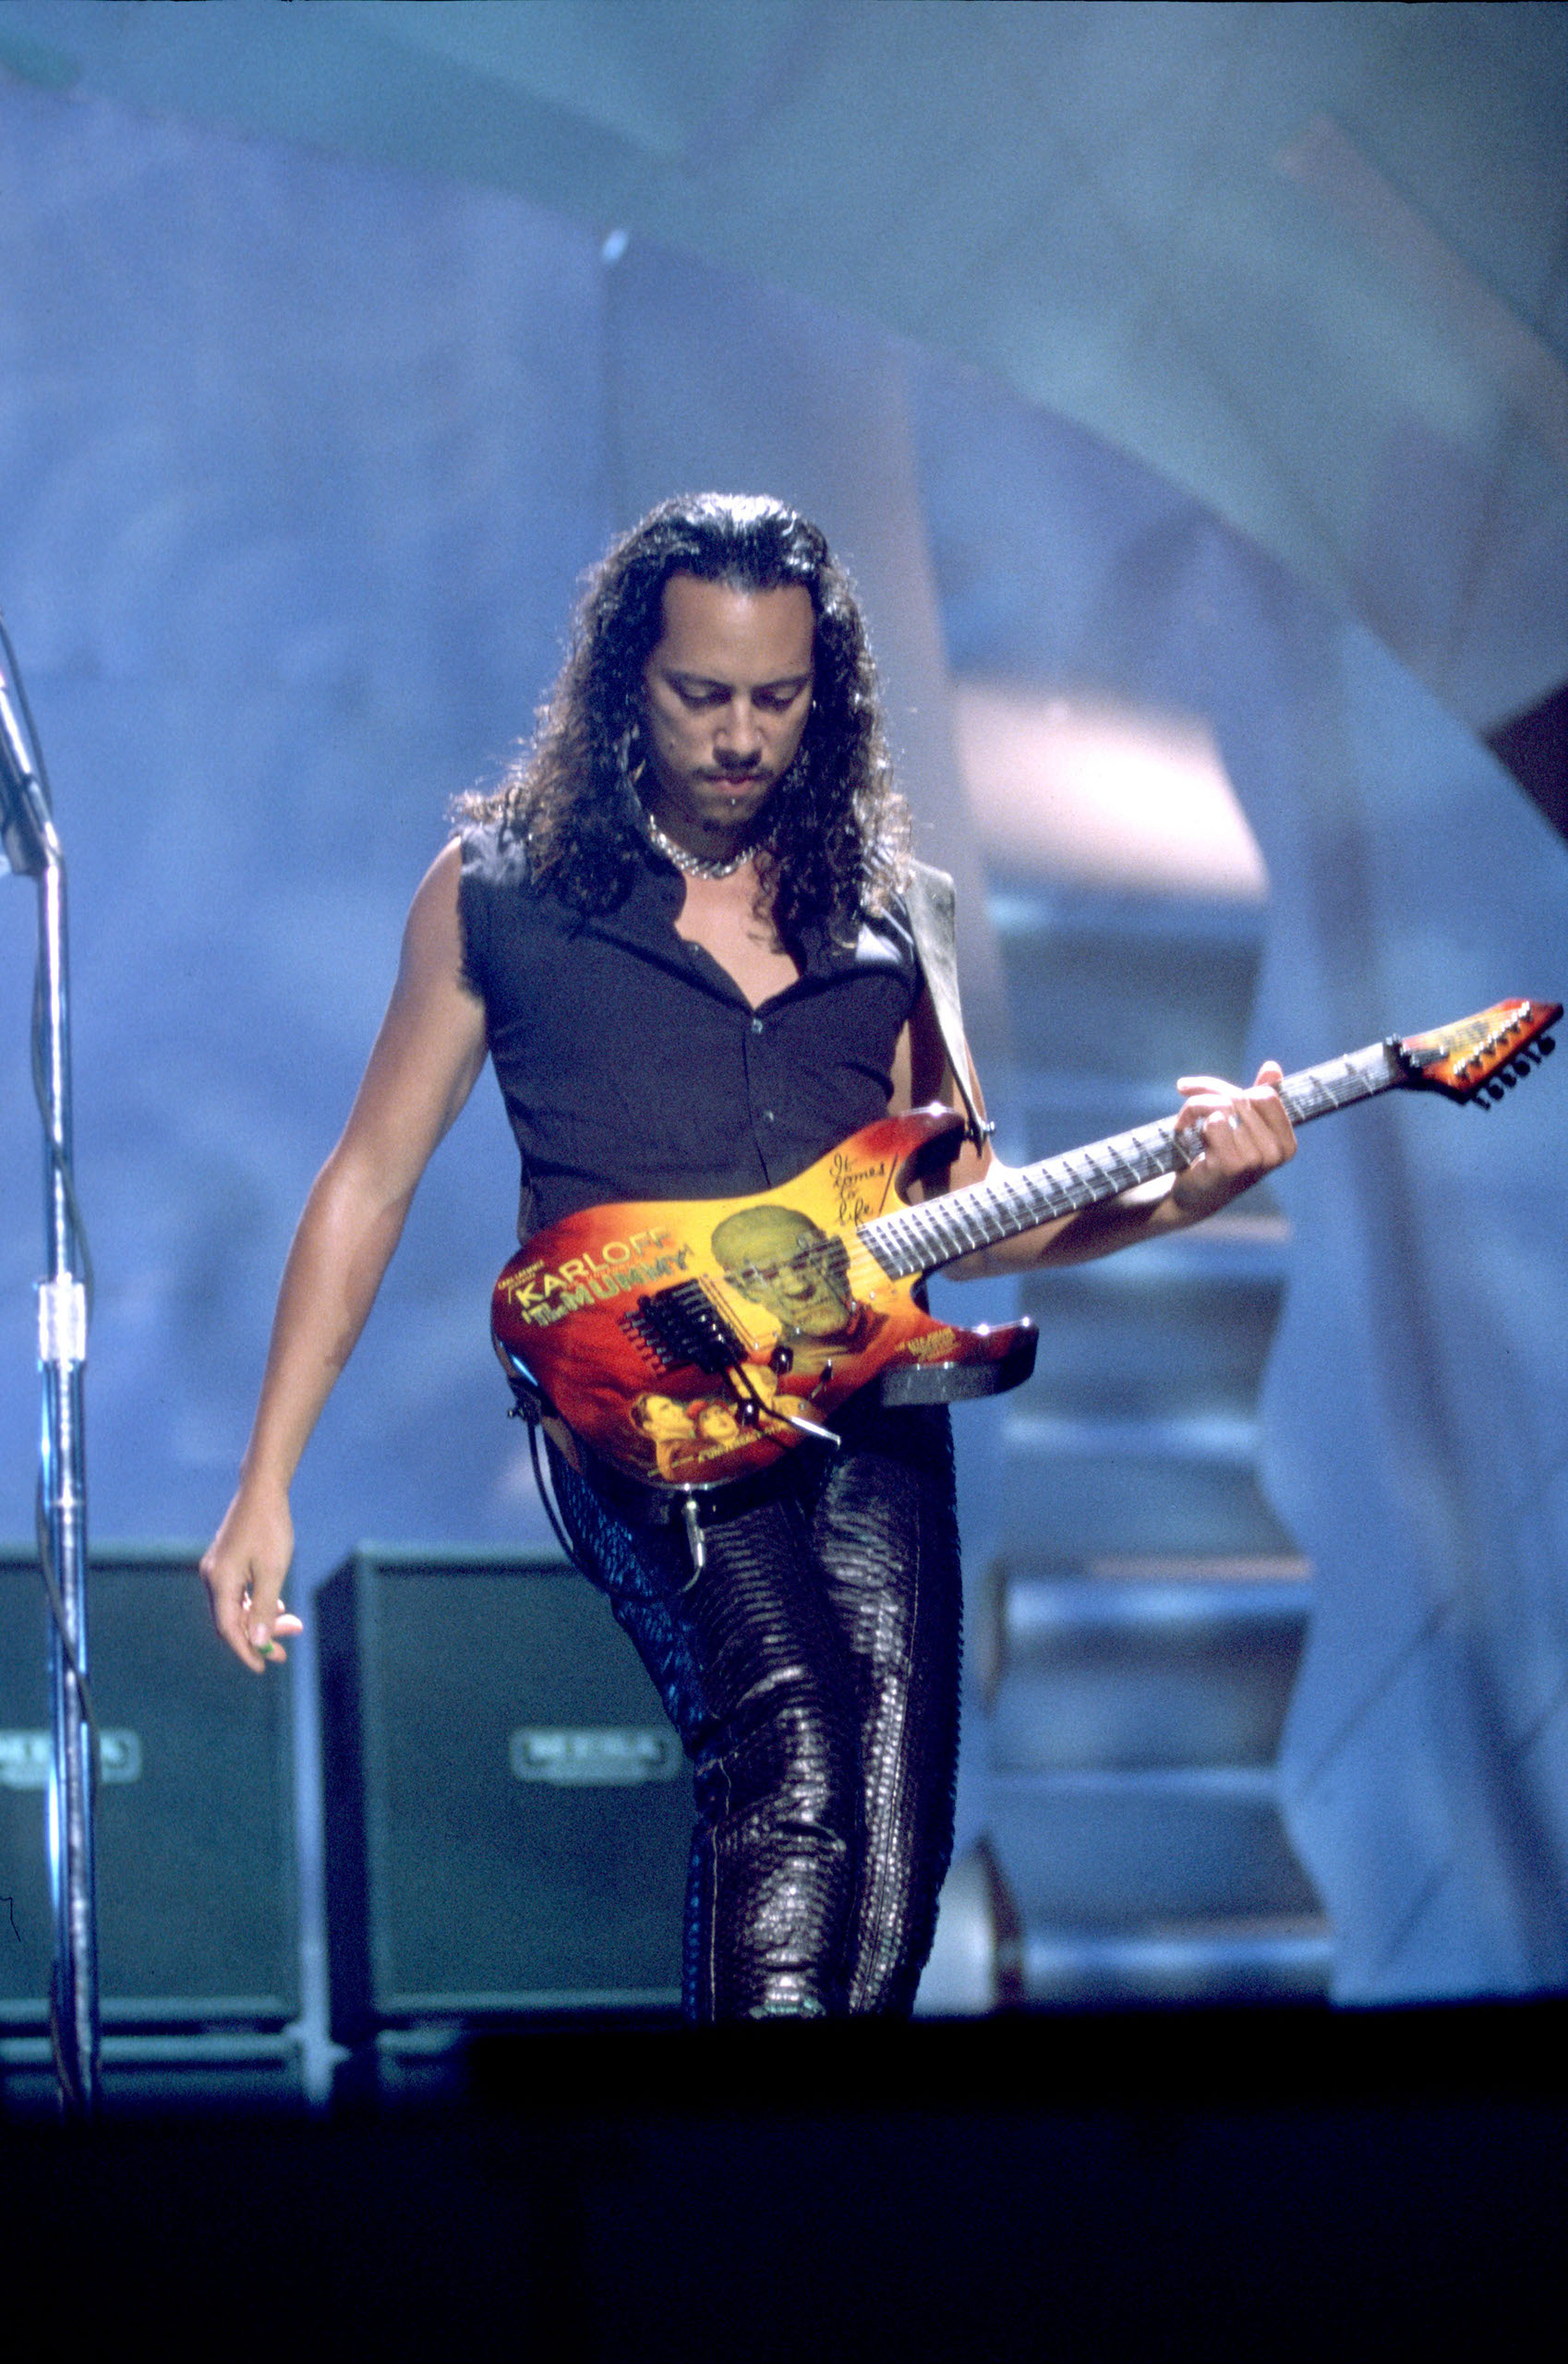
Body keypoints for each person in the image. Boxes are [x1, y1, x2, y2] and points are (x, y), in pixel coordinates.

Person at [200, 492, 1296, 2020]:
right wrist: (266, 1478)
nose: (737, 737)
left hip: (872, 1421)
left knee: (887, 1881)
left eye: (775, 699)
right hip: (641, 1409)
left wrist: (1184, 1196)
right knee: (789, 1765)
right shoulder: (499, 890)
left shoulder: (893, 912)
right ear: (625, 682)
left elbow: (966, 1208)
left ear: (822, 694)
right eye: (699, 694)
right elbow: (366, 1183)